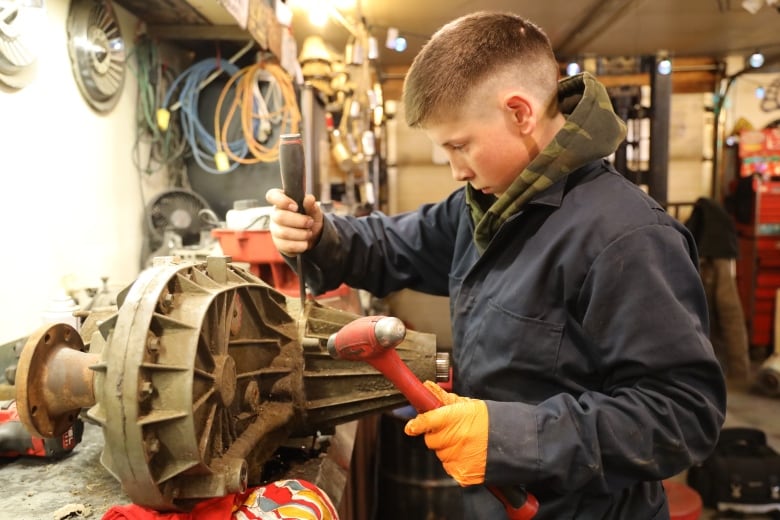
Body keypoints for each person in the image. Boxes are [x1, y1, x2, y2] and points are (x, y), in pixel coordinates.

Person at [266, 11, 726, 519]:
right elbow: (392, 246)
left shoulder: (627, 238)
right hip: (493, 500)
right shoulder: (487, 206)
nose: (455, 168)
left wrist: (510, 437)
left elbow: (682, 415)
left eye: (460, 145)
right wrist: (318, 234)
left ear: (519, 112)